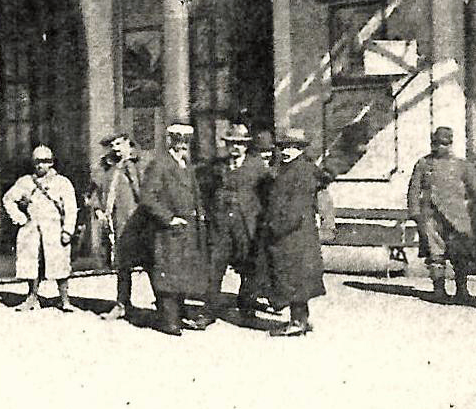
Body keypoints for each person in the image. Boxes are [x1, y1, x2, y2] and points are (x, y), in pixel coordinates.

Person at [125, 120, 211, 335]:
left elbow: (194, 194)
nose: (182, 146)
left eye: (186, 142)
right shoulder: (160, 165)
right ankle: (169, 320)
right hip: (167, 232)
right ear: (170, 142)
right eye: (178, 141)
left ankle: (178, 316)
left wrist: (199, 216)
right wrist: (169, 218)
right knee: (167, 274)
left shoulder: (186, 165)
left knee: (182, 273)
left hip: (187, 230)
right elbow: (147, 198)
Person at [261, 129, 333, 337]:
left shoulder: (301, 171)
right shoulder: (289, 167)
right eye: (283, 146)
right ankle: (301, 319)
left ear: (301, 149)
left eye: (291, 147)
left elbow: (295, 209)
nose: (285, 151)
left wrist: (274, 228)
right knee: (296, 277)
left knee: (295, 277)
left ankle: (297, 321)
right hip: (294, 233)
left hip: (293, 234)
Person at [408, 125, 476, 304]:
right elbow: (414, 190)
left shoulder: (463, 165)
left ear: (451, 144)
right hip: (431, 216)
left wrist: (471, 210)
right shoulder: (423, 164)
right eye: (436, 143)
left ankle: (462, 291)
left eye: (444, 144)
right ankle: (439, 291)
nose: (439, 147)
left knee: (460, 254)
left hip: (457, 217)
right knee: (435, 254)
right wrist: (416, 214)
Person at [204, 123, 270, 320]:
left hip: (246, 224)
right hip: (220, 225)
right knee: (214, 267)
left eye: (240, 144)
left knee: (249, 267)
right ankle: (209, 311)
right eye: (232, 143)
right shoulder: (216, 166)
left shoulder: (257, 166)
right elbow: (205, 191)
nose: (235, 147)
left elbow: (267, 194)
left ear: (247, 145)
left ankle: (247, 306)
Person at [3, 144, 79, 312]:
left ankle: (64, 299)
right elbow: (8, 199)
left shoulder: (62, 182)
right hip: (32, 228)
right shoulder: (25, 182)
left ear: (51, 162)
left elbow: (71, 208)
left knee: (59, 264)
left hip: (54, 228)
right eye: (37, 161)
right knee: (31, 263)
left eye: (45, 161)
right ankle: (32, 297)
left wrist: (68, 230)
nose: (40, 165)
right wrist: (19, 218)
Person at [98, 132, 152, 321]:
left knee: (150, 262)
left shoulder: (139, 164)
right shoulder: (108, 167)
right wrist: (98, 210)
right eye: (113, 145)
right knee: (122, 265)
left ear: (128, 143)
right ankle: (122, 304)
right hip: (118, 223)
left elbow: (145, 193)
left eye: (119, 144)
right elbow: (97, 190)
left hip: (138, 222)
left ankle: (166, 306)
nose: (115, 148)